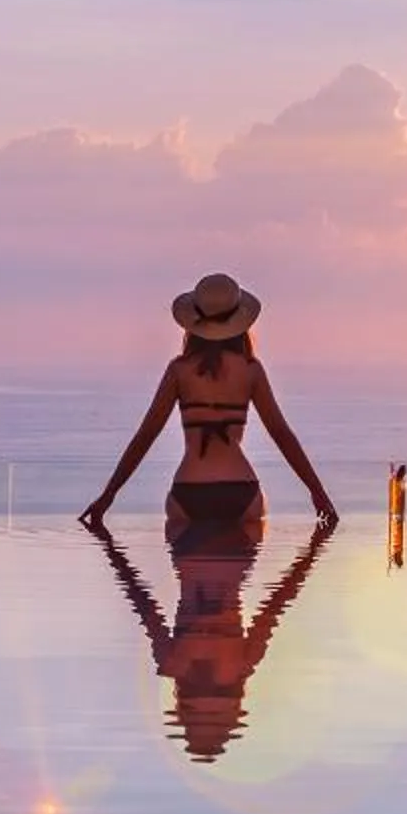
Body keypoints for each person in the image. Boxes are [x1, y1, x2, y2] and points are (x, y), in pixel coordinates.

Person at [80, 273, 339, 541]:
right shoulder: (251, 371)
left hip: (188, 493)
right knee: (244, 584)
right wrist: (317, 493)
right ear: (240, 323)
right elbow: (281, 434)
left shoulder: (179, 371)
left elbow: (146, 435)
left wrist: (108, 496)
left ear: (193, 323)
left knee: (185, 582)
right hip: (243, 493)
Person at [86, 514, 334, 761]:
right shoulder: (174, 664)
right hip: (221, 523)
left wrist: (311, 555)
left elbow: (277, 603)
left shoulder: (237, 665)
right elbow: (142, 601)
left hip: (206, 522)